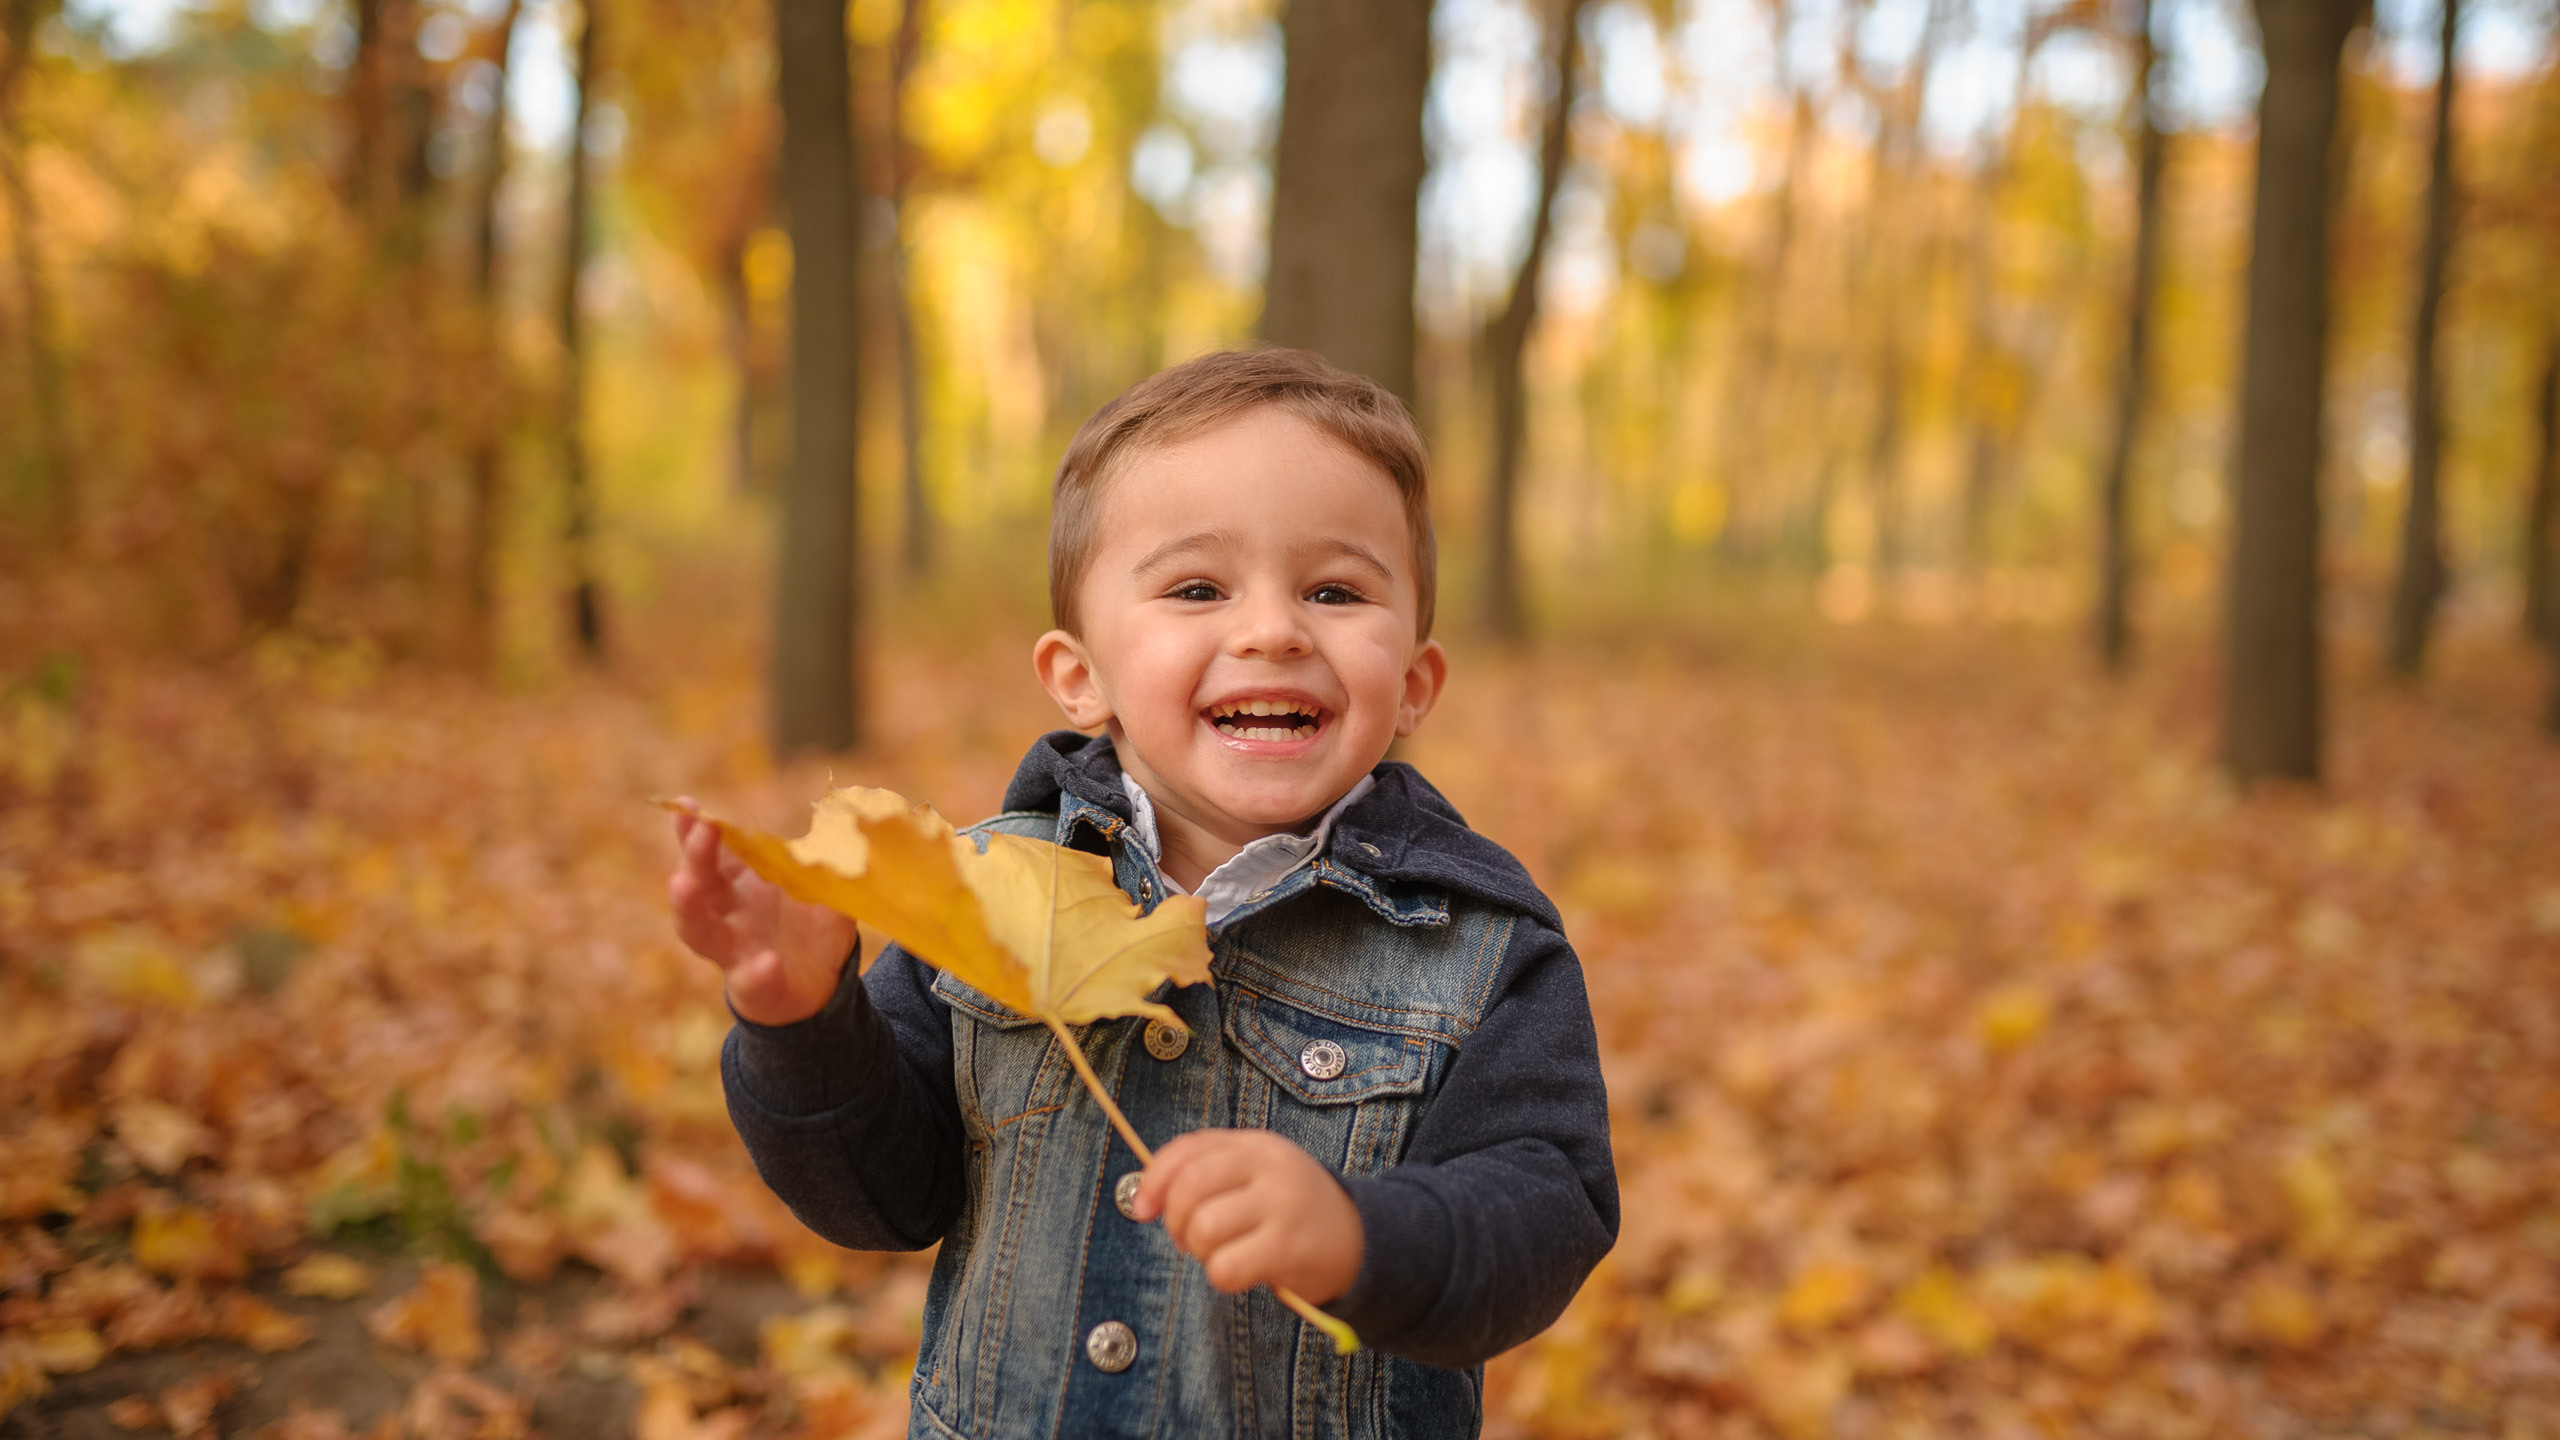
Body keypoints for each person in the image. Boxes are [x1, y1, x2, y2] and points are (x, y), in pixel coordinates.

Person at [667, 347, 1616, 1439]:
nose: (1271, 629)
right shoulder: (991, 899)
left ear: (1412, 685)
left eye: (1335, 590)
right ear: (1081, 677)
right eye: (1198, 589)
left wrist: (1366, 1232)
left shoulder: (1481, 948)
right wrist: (799, 1026)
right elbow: (881, 1198)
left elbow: (1549, 1210)